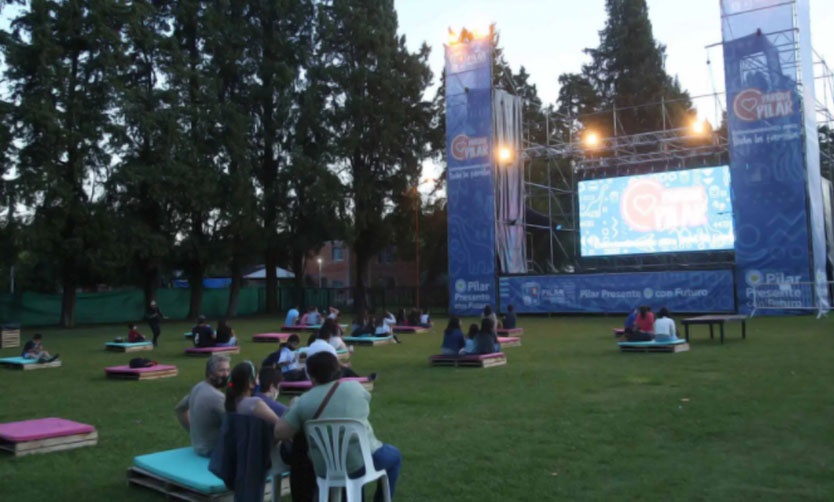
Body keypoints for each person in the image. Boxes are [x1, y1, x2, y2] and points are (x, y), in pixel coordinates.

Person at [273, 353, 402, 502]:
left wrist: (291, 407)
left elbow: (280, 432)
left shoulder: (303, 402)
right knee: (394, 456)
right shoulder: (354, 388)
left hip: (325, 468)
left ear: (310, 375)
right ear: (337, 369)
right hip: (360, 461)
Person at [225, 361, 289, 479]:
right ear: (251, 383)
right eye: (258, 378)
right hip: (262, 458)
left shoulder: (231, 403)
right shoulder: (255, 404)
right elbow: (280, 425)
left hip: (240, 457)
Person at [174, 354, 231, 456]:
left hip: (198, 447)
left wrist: (192, 431)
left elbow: (179, 409)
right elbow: (234, 426)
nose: (226, 374)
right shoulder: (218, 398)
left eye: (228, 370)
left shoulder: (199, 387)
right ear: (210, 374)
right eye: (221, 370)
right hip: (213, 451)